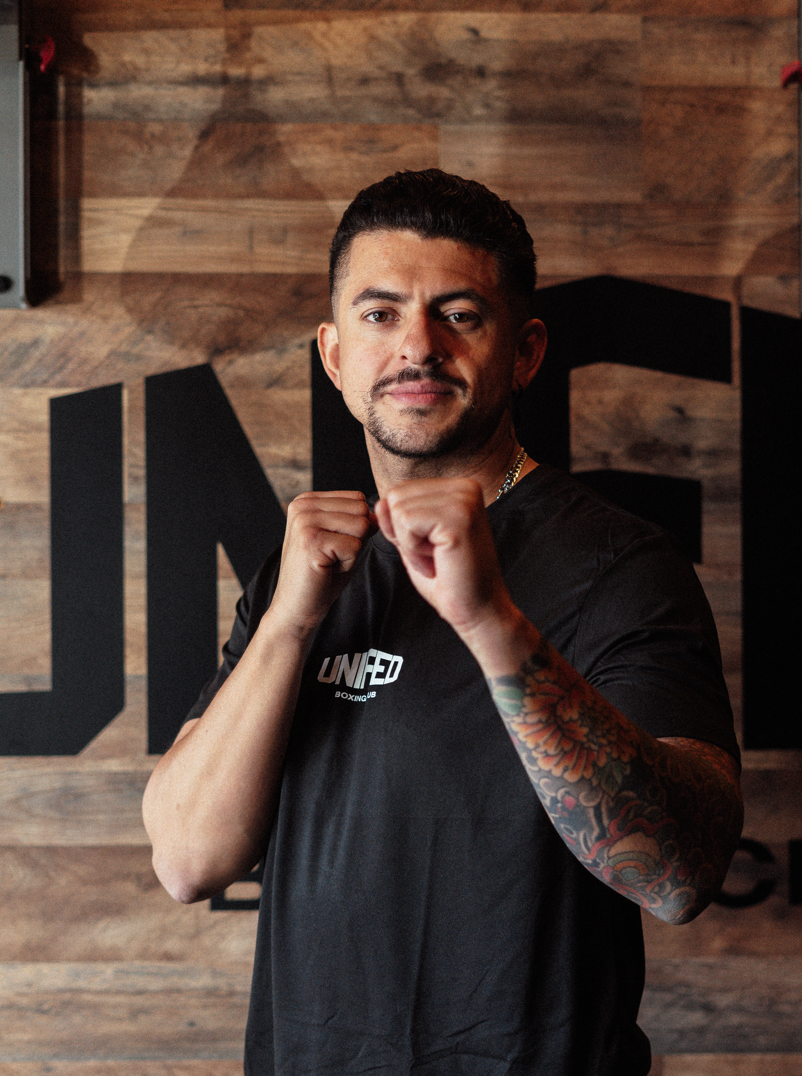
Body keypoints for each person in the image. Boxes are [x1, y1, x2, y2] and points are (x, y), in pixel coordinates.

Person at [143, 169, 743, 1075]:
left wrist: (488, 617)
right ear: (335, 354)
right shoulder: (302, 570)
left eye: (458, 313)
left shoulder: (621, 565)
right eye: (379, 315)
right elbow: (189, 860)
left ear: (525, 351)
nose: (414, 346)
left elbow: (675, 875)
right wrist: (286, 624)